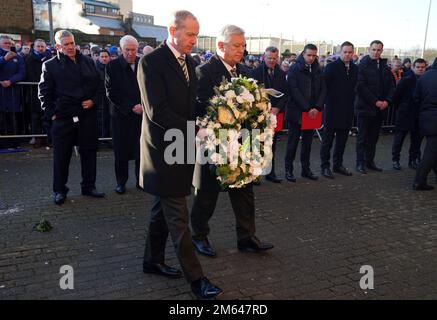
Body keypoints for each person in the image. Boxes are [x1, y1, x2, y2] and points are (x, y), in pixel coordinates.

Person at [137, 10, 222, 299]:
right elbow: (156, 111)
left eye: (197, 35)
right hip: (162, 152)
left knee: (162, 210)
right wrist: (194, 128)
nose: (194, 41)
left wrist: (217, 114)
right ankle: (197, 280)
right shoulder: (151, 62)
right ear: (173, 30)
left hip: (182, 145)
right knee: (178, 218)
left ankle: (152, 261)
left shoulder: (189, 62)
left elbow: (190, 105)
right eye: (190, 34)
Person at [191, 25, 274, 260]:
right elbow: (201, 107)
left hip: (242, 142)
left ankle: (246, 237)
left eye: (243, 45)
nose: (242, 50)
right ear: (221, 45)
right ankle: (199, 236)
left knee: (244, 189)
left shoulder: (245, 71)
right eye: (236, 45)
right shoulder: (204, 71)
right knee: (206, 192)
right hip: (213, 143)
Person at [38, 30, 105, 205]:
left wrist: (93, 101)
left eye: (72, 43)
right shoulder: (50, 65)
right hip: (63, 118)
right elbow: (44, 93)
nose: (70, 47)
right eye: (65, 44)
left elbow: (100, 86)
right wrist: (52, 114)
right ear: (58, 46)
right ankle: (60, 190)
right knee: (61, 156)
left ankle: (89, 186)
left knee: (89, 152)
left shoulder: (89, 62)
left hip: (87, 116)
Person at [106, 36, 142, 195]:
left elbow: (150, 88)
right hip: (121, 115)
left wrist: (143, 105)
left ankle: (141, 181)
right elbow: (111, 91)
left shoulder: (143, 63)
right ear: (121, 49)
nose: (130, 53)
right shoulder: (112, 66)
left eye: (133, 49)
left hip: (141, 114)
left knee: (141, 151)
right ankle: (121, 182)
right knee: (121, 152)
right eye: (127, 49)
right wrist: (130, 107)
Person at [284, 44, 326, 182]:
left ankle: (306, 169)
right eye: (309, 55)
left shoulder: (317, 69)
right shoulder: (294, 69)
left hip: (312, 113)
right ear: (303, 54)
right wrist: (307, 108)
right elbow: (294, 90)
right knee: (292, 143)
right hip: (297, 112)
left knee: (307, 144)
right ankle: (288, 170)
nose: (311, 58)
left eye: (314, 56)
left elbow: (322, 90)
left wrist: (317, 107)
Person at [355, 40, 395, 174]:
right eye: (374, 49)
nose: (376, 52)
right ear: (369, 49)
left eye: (378, 50)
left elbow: (391, 86)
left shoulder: (384, 66)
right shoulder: (362, 65)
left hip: (380, 109)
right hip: (365, 108)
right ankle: (360, 163)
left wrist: (387, 101)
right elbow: (361, 87)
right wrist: (375, 101)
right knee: (362, 138)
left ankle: (369, 161)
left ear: (382, 51)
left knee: (373, 138)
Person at [320, 41, 358, 179]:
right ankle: (325, 166)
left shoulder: (355, 68)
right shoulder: (331, 67)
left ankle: (338, 165)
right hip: (332, 110)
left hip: (347, 110)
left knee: (342, 141)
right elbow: (324, 87)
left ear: (353, 53)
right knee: (327, 142)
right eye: (345, 52)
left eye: (350, 52)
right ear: (340, 52)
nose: (347, 55)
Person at [251, 46, 289, 183]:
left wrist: (277, 108)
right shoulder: (255, 73)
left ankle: (270, 172)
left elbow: (286, 93)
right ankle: (254, 175)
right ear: (264, 57)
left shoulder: (281, 73)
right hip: (259, 114)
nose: (272, 61)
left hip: (275, 114)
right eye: (269, 58)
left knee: (271, 145)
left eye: (274, 58)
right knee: (256, 144)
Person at [391, 59, 427, 171]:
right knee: (399, 139)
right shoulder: (406, 80)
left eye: (422, 67)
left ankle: (412, 160)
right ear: (413, 67)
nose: (420, 69)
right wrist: (401, 108)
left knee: (416, 141)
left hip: (419, 115)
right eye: (418, 67)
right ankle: (395, 160)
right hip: (405, 114)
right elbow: (396, 96)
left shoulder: (426, 81)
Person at [413, 58, 437, 191]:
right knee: (431, 151)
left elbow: (416, 97)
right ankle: (419, 181)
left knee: (433, 149)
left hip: (425, 118)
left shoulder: (424, 77)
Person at [25, 39, 52, 148]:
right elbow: (29, 74)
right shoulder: (29, 59)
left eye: (42, 46)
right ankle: (37, 138)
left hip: (47, 91)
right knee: (35, 116)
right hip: (34, 91)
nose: (40, 48)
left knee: (47, 116)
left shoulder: (50, 58)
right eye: (38, 46)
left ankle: (48, 138)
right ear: (34, 47)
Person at [0, 35, 25, 148]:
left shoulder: (18, 57)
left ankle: (13, 142)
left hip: (13, 91)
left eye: (10, 43)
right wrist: (4, 59)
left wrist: (11, 81)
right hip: (1, 91)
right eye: (6, 43)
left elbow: (22, 72)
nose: (8, 45)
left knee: (13, 116)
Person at [95, 49, 111, 143]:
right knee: (99, 118)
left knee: (109, 119)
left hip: (110, 98)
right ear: (99, 57)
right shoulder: (95, 68)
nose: (104, 58)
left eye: (106, 56)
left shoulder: (112, 67)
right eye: (102, 57)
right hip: (99, 97)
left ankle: (108, 139)